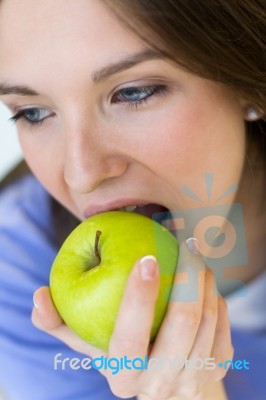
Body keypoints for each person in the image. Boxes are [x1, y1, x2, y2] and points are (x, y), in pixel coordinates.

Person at [0, 0, 265, 399]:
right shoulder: (18, 281)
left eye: (133, 93)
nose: (81, 173)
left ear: (250, 83)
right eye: (33, 112)